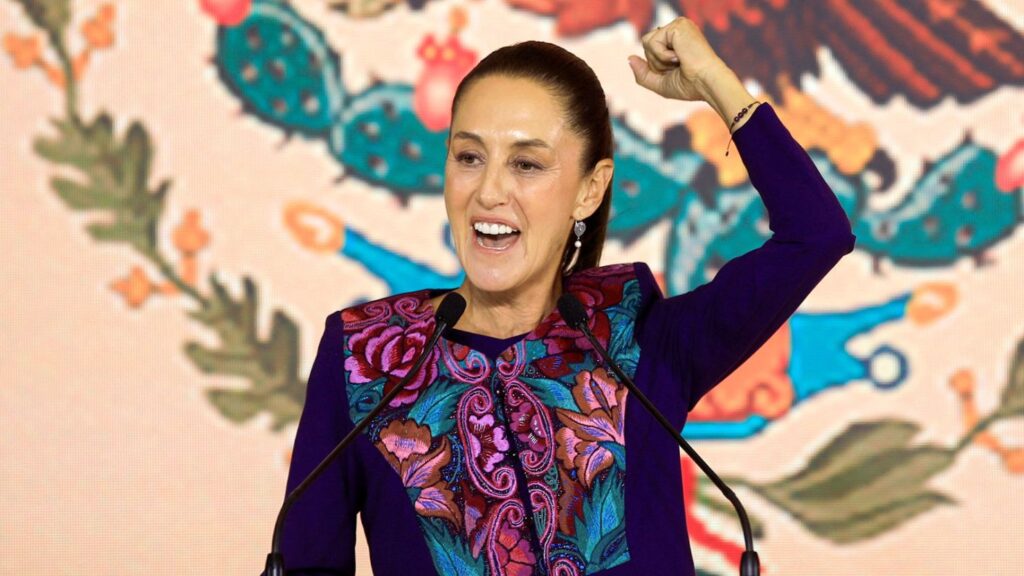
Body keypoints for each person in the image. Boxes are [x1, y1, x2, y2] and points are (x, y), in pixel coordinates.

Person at [277, 17, 856, 576]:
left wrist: (714, 84)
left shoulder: (639, 342)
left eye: (526, 164)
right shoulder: (367, 359)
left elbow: (817, 234)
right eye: (469, 157)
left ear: (589, 190)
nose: (489, 191)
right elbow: (306, 565)